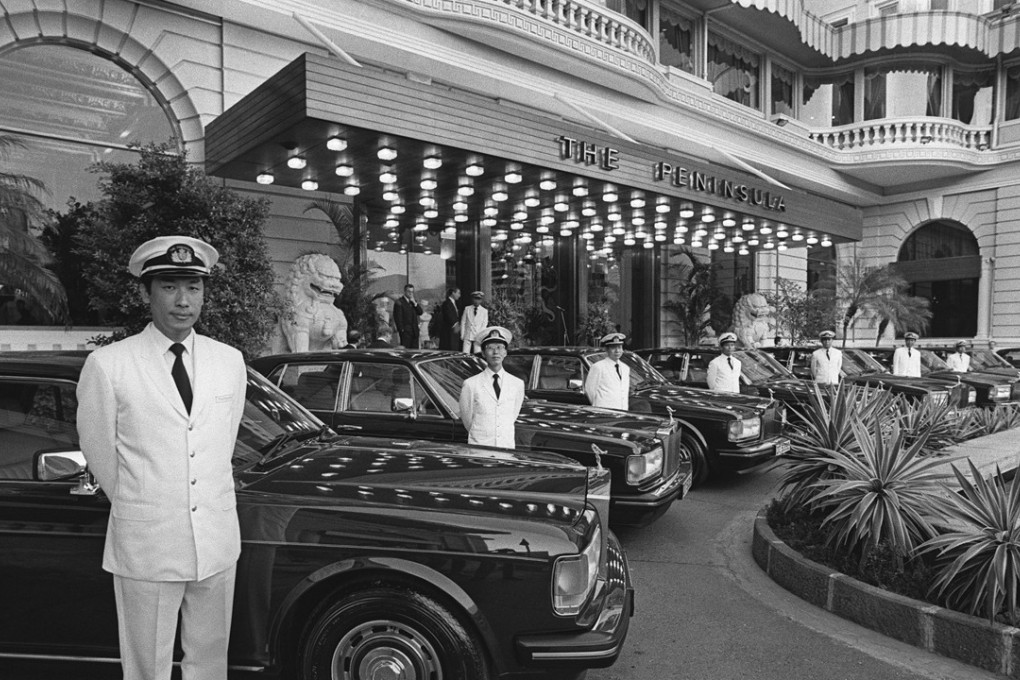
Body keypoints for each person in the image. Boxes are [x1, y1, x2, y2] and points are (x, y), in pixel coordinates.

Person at [76, 235, 247, 680]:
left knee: (210, 661)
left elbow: (220, 445)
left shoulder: (229, 361)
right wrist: (144, 503)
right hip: (147, 542)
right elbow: (100, 453)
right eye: (169, 287)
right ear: (146, 293)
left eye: (193, 287)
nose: (183, 301)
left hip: (215, 539)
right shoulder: (110, 365)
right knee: (147, 665)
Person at [459, 326, 524, 449]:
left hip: (506, 448)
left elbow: (513, 415)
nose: (496, 352)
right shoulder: (471, 384)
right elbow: (468, 420)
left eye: (500, 347)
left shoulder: (517, 384)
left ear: (505, 352)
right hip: (480, 449)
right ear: (483, 353)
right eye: (490, 348)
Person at [584, 332, 630, 409]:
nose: (617, 351)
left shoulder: (625, 368)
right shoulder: (598, 367)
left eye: (619, 347)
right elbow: (590, 390)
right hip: (604, 412)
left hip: (622, 411)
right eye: (613, 348)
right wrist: (599, 405)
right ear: (606, 349)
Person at [393, 283, 423, 348]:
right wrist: (402, 330)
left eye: (412, 292)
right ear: (405, 291)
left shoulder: (413, 302)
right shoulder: (399, 302)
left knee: (415, 353)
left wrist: (415, 303)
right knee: (406, 352)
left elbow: (420, 312)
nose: (411, 293)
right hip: (405, 333)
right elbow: (398, 318)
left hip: (415, 332)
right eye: (409, 291)